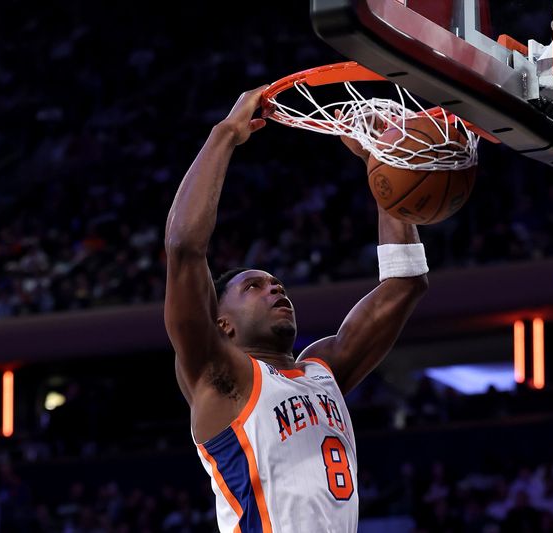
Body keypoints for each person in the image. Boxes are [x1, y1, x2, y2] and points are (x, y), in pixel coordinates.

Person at [164, 86, 430, 532]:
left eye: (277, 284)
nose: (275, 290)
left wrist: (382, 167)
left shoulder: (323, 368)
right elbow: (184, 248)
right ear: (221, 323)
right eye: (254, 286)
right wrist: (226, 133)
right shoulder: (221, 377)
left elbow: (405, 284)